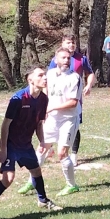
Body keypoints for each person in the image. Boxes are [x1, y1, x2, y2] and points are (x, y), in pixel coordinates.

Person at [0, 67, 57, 219]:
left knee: (36, 171)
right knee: (8, 178)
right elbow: (5, 124)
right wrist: (3, 149)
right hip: (11, 144)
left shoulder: (43, 99)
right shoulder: (19, 98)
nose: (45, 78)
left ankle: (43, 200)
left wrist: (43, 141)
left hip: (26, 144)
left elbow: (39, 124)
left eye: (45, 75)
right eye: (40, 75)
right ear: (30, 79)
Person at [44, 35, 94, 170]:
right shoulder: (56, 61)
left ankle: (74, 154)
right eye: (68, 42)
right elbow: (48, 80)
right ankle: (49, 148)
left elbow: (90, 73)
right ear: (62, 43)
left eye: (73, 42)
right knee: (50, 125)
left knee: (74, 127)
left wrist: (89, 85)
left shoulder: (81, 59)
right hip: (56, 98)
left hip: (73, 98)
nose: (71, 45)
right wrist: (46, 100)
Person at [43, 48, 84, 196]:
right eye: (63, 58)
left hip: (68, 119)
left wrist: (52, 107)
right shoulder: (50, 74)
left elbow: (73, 102)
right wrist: (44, 107)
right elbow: (46, 90)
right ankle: (31, 181)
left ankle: (71, 185)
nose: (66, 60)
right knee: (42, 148)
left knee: (62, 153)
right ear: (56, 60)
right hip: (52, 118)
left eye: (68, 58)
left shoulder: (75, 78)